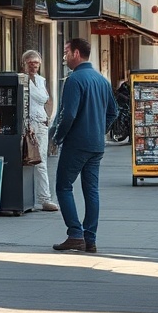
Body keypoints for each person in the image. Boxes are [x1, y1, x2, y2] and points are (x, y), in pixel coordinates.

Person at [51, 38, 117, 253]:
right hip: (96, 144)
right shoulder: (102, 80)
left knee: (63, 186)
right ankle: (90, 238)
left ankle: (75, 234)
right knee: (91, 190)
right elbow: (113, 112)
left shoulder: (74, 80)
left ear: (77, 53)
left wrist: (57, 138)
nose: (64, 57)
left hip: (76, 143)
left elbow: (68, 114)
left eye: (66, 52)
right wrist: (99, 129)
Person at [21, 49, 57, 212]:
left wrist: (48, 116)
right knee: (32, 160)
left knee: (41, 160)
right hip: (29, 124)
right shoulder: (22, 80)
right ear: (24, 64)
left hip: (42, 123)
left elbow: (48, 99)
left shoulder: (41, 80)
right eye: (30, 63)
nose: (33, 66)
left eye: (36, 63)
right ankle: (42, 198)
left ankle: (43, 198)